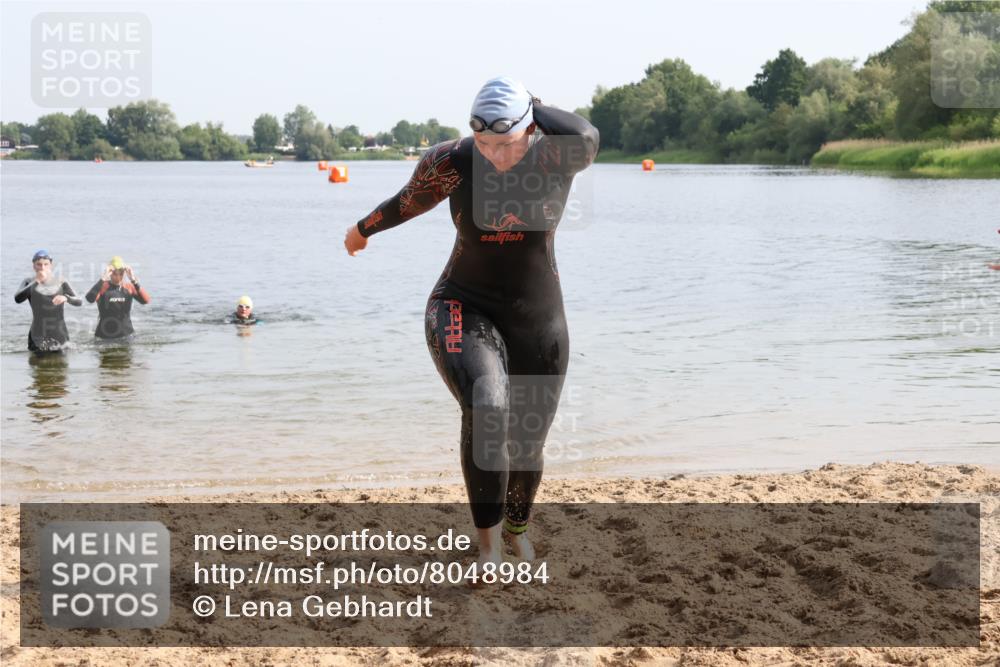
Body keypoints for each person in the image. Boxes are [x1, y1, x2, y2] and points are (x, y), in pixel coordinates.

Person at [344, 76, 599, 569]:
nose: (494, 155)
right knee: (487, 404)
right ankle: (487, 548)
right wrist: (361, 230)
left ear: (531, 129)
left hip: (538, 318)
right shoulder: (455, 160)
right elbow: (408, 200)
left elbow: (588, 135)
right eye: (484, 143)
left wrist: (533, 104)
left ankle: (518, 531)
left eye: (504, 143)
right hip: (462, 304)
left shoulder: (557, 155)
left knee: (527, 444)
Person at [14, 250, 83, 353]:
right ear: (34, 266)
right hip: (37, 334)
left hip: (60, 333)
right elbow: (18, 299)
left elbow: (79, 301)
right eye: (39, 265)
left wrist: (66, 298)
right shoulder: (28, 281)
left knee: (61, 365)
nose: (42, 268)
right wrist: (36, 282)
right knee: (39, 365)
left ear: (51, 265)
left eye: (46, 264)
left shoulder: (61, 281)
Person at [85, 256, 151, 340]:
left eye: (121, 274)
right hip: (103, 337)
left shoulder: (129, 287)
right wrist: (103, 278)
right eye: (114, 273)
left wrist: (134, 280)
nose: (118, 277)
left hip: (127, 335)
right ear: (109, 273)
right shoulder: (102, 287)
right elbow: (89, 299)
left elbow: (146, 300)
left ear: (124, 273)